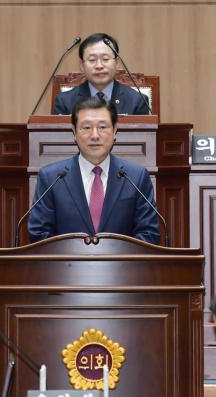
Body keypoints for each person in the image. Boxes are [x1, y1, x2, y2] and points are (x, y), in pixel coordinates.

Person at [28, 96, 160, 244]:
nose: (95, 136)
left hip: (123, 260)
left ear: (115, 130)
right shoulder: (51, 178)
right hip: (66, 260)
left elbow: (148, 234)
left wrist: (115, 256)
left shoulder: (136, 177)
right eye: (86, 128)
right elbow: (39, 234)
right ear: (74, 132)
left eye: (102, 127)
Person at [52, 33, 151, 115]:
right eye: (92, 60)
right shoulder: (64, 102)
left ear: (117, 63)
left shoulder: (137, 101)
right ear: (82, 65)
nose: (99, 66)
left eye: (105, 59)